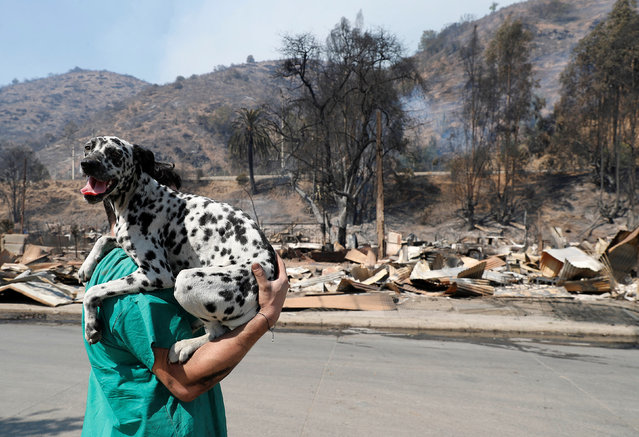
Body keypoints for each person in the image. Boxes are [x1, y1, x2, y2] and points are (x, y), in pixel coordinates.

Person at [81, 163, 288, 436]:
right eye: (167, 210)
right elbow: (185, 381)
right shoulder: (137, 289)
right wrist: (266, 316)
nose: (183, 221)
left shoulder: (113, 264)